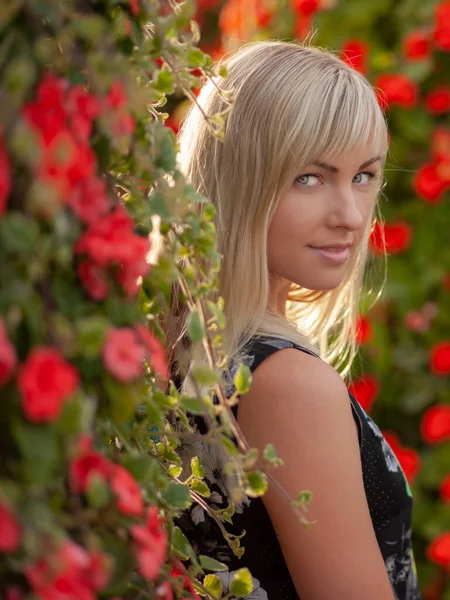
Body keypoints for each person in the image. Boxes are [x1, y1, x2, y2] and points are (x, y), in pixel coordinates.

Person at [165, 40, 422, 600]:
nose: (351, 216)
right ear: (240, 178)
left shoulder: (190, 345)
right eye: (310, 177)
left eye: (364, 176)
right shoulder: (285, 381)